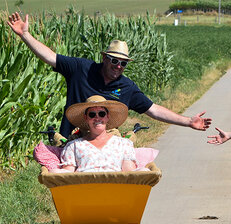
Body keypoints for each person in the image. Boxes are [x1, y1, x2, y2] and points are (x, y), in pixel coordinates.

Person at [7, 12, 212, 138]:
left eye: (123, 63)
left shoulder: (127, 88)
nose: (118, 66)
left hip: (104, 145)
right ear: (104, 57)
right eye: (114, 60)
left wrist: (187, 121)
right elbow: (50, 57)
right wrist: (25, 35)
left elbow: (153, 110)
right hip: (71, 140)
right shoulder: (81, 68)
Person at [60, 95, 137, 172]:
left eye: (101, 114)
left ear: (107, 116)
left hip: (114, 183)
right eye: (92, 114)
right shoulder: (73, 146)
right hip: (84, 183)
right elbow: (67, 174)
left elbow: (130, 173)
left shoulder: (123, 144)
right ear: (86, 118)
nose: (97, 118)